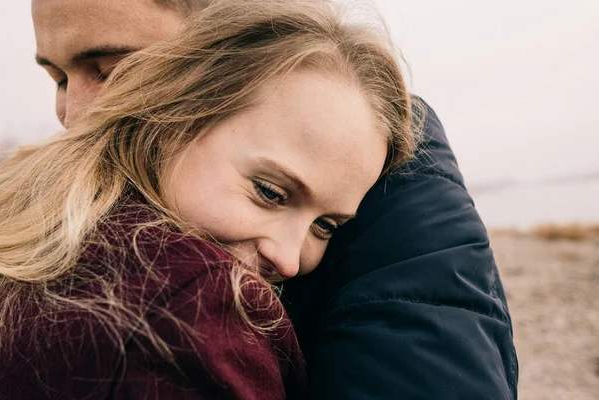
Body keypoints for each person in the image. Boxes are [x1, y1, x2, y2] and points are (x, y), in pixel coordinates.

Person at [29, 0, 519, 398]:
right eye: (58, 79)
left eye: (112, 69)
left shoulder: (384, 161)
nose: (75, 117)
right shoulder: (174, 301)